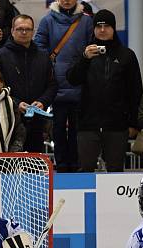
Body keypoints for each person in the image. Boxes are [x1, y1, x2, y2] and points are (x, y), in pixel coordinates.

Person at [66, 9, 143, 172]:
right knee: (85, 169)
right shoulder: (84, 52)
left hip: (117, 126)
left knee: (115, 171)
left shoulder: (126, 55)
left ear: (113, 28)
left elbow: (135, 91)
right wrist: (85, 59)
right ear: (93, 29)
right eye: (98, 26)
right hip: (87, 125)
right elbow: (72, 79)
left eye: (107, 26)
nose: (102, 30)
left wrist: (133, 123)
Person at [34, 0, 92, 171]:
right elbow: (39, 47)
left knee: (77, 130)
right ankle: (62, 166)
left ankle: (75, 165)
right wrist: (51, 66)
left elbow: (92, 47)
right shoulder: (47, 21)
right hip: (56, 85)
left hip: (80, 83)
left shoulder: (87, 21)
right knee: (57, 129)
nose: (67, 0)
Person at [0, 14, 57, 152]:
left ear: (33, 32)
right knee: (9, 167)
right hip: (8, 121)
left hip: (37, 123)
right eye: (20, 29)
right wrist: (15, 103)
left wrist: (42, 101)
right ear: (12, 31)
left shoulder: (43, 57)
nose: (24, 32)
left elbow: (52, 85)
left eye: (28, 29)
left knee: (34, 168)